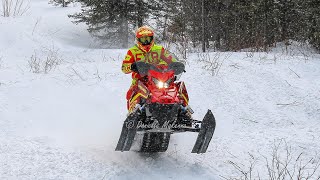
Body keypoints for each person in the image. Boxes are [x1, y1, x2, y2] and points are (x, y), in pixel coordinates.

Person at [121, 26, 192, 117]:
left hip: (159, 78)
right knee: (134, 91)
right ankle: (134, 113)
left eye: (148, 39)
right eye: (143, 39)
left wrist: (177, 65)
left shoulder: (159, 49)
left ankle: (185, 110)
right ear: (138, 40)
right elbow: (124, 67)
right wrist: (132, 66)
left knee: (179, 87)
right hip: (142, 80)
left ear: (152, 38)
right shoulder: (132, 52)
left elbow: (170, 59)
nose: (146, 42)